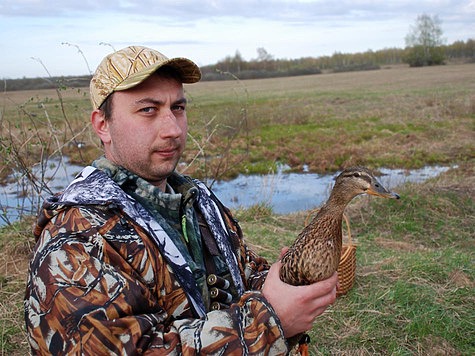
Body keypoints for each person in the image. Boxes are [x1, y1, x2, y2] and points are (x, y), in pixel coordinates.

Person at [25, 46, 338, 355]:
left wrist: (291, 280)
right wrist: (269, 321)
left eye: (178, 108)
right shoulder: (76, 238)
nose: (173, 130)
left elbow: (242, 275)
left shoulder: (197, 202)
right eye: (148, 110)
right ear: (102, 125)